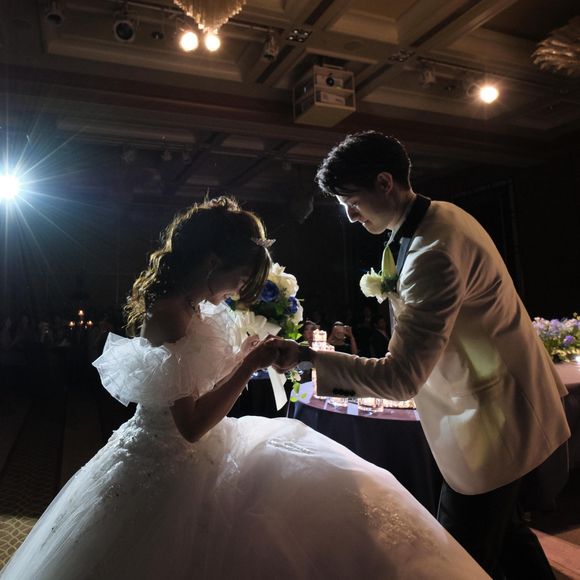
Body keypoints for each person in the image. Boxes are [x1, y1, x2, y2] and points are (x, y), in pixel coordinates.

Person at [1, 197, 487, 580]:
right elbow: (190, 425)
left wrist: (241, 356)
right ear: (212, 262)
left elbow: (197, 383)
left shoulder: (195, 307)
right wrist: (248, 364)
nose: (238, 288)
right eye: (239, 276)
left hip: (203, 448)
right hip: (165, 462)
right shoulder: (169, 314)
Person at [273, 131, 570, 579]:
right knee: (509, 542)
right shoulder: (439, 216)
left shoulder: (433, 252)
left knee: (452, 560)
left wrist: (309, 358)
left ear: (385, 182)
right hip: (496, 406)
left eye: (352, 201)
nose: (350, 215)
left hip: (492, 420)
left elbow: (401, 379)